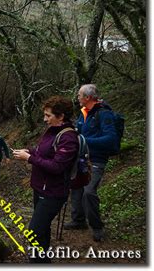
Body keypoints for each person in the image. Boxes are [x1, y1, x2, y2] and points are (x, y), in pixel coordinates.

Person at [13, 96, 79, 263]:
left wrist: (29, 158)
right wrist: (28, 151)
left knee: (34, 231)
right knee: (42, 230)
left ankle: (37, 262)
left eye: (48, 116)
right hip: (40, 188)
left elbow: (58, 167)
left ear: (61, 116)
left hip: (53, 193)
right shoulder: (52, 131)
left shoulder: (68, 137)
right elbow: (41, 150)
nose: (45, 119)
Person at [64, 84, 118, 242]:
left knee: (89, 191)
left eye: (79, 95)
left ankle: (97, 226)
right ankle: (78, 220)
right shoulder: (83, 113)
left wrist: (84, 140)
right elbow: (79, 132)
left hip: (96, 160)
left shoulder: (104, 114)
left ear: (87, 98)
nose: (77, 97)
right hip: (81, 158)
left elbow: (111, 139)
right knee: (76, 187)